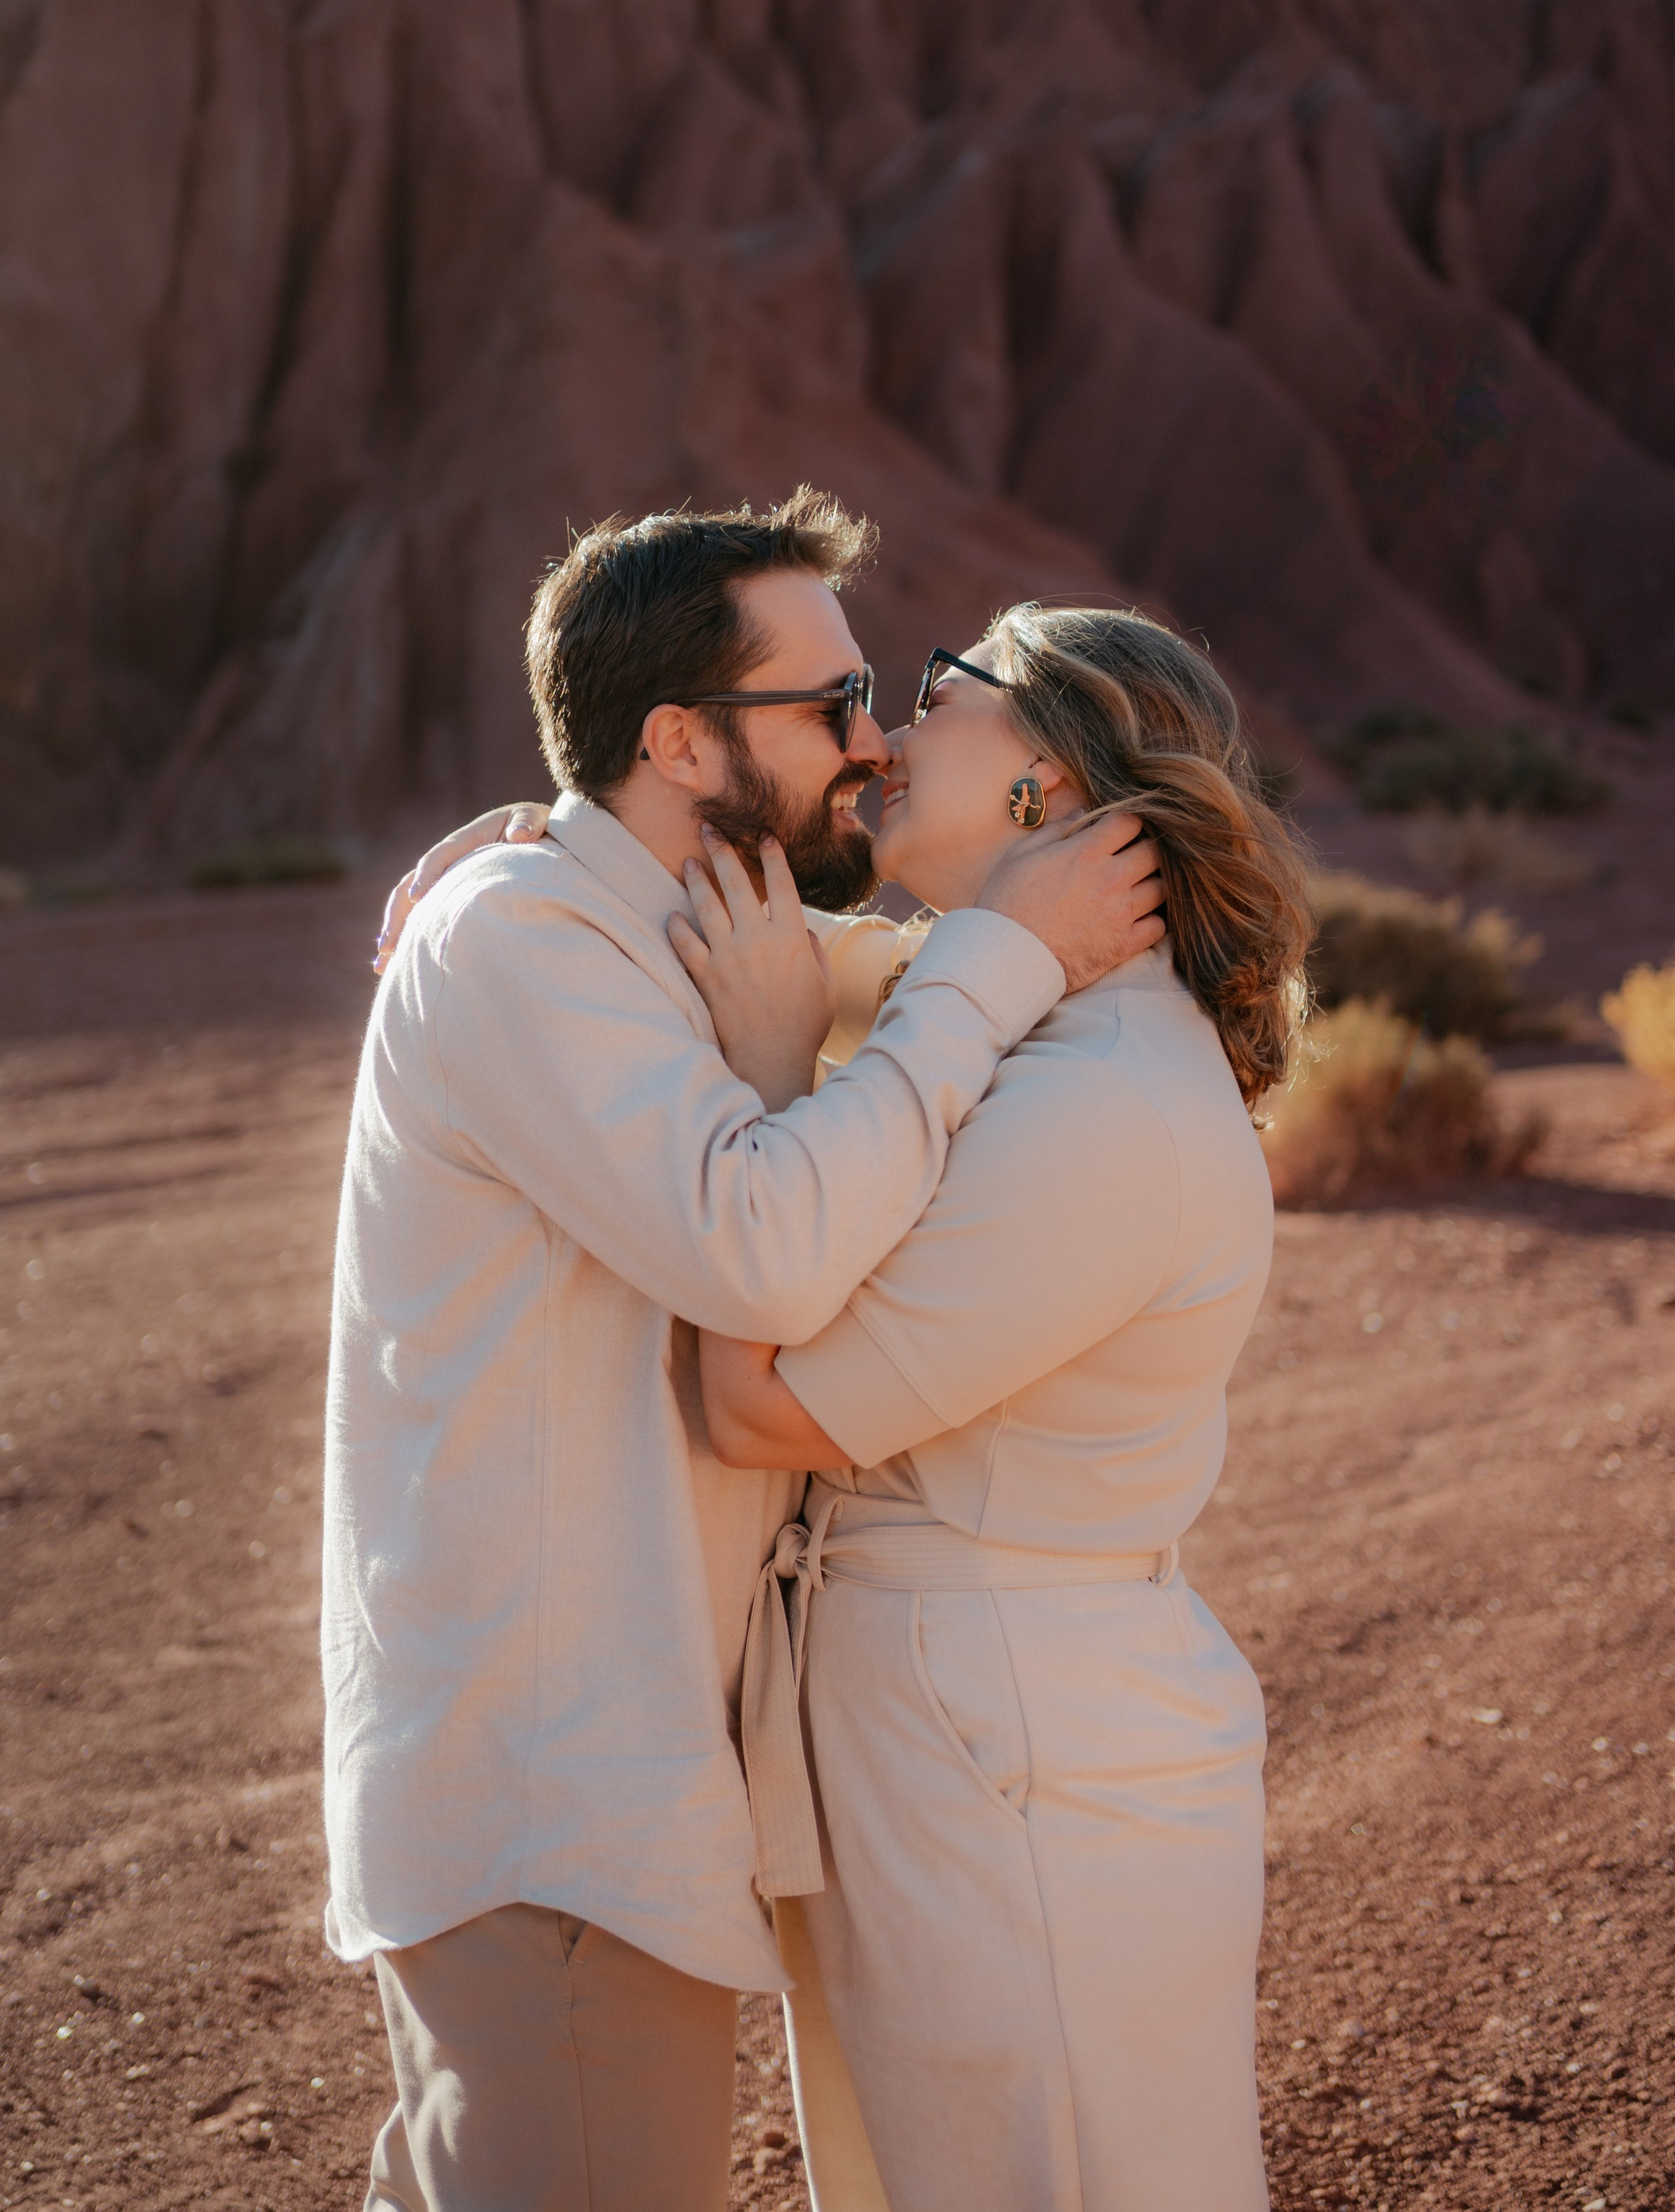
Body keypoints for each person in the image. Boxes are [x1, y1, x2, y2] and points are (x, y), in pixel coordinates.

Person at [322, 491, 1167, 2212]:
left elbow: (905, 966)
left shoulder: (655, 922)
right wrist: (967, 976)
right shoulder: (519, 947)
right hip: (552, 1811)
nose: (870, 745)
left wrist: (970, 948)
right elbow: (762, 1242)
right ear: (679, 739)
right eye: (831, 707)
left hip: (595, 1804)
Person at [688, 605, 1313, 2212]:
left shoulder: (1102, 1097)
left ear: (1045, 776)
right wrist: (522, 854)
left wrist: (762, 1104)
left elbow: (757, 1410)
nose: (881, 738)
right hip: (962, 1731)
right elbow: (713, 939)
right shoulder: (1018, 1011)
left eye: (925, 697)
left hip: (1008, 1759)